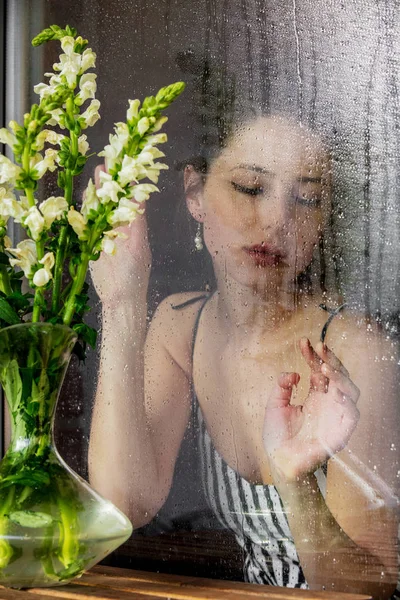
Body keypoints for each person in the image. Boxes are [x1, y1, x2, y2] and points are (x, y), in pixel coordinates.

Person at [88, 114, 399, 597]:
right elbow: (124, 505)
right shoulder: (180, 324)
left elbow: (368, 589)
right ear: (195, 195)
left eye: (308, 199)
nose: (277, 219)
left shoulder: (356, 350)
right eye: (251, 188)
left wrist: (296, 481)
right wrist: (122, 301)